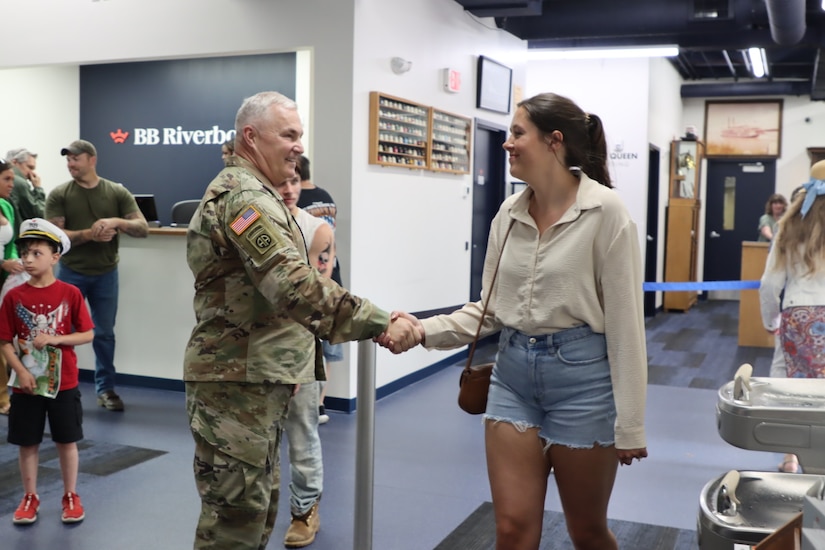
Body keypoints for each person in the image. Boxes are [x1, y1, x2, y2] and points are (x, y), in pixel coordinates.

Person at [382, 93, 648, 550]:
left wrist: (631, 425)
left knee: (586, 531)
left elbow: (626, 328)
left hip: (584, 385)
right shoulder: (508, 214)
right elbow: (490, 309)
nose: (507, 143)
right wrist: (423, 329)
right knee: (512, 530)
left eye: (517, 133)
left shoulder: (606, 212)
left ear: (554, 142)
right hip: (512, 379)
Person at [183, 90, 417, 550]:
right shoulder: (244, 200)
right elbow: (291, 285)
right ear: (251, 137)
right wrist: (376, 320)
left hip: (257, 377)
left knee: (255, 513)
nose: (298, 146)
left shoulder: (262, 196)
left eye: (300, 136)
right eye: (288, 135)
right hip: (237, 384)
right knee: (233, 527)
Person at [0, 218, 94, 525]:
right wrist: (21, 373)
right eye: (24, 252)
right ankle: (30, 496)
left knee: (67, 440)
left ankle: (70, 495)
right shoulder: (14, 297)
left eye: (36, 253)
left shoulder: (70, 293)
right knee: (27, 441)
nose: (27, 259)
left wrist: (56, 338)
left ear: (55, 256)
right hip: (26, 384)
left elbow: (87, 333)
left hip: (63, 382)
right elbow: (3, 342)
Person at [45, 139, 149, 412]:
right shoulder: (60, 194)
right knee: (60, 332)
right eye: (67, 160)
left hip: (106, 274)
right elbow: (55, 237)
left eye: (75, 159)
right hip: (71, 274)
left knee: (104, 334)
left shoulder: (116, 192)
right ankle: (55, 387)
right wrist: (90, 234)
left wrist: (116, 222)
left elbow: (142, 227)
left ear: (92, 159)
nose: (70, 164)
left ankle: (106, 390)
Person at [273, 170, 335, 548]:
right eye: (281, 182)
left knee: (301, 431)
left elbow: (316, 297)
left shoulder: (317, 231)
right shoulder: (248, 219)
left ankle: (305, 511)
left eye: (294, 181)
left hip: (297, 340)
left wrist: (296, 356)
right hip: (252, 345)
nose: (289, 189)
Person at [760, 161, 825, 475]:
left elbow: (770, 284)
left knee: (793, 390)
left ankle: (791, 458)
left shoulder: (788, 225)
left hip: (798, 314)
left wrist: (771, 320)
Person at [296, 155, 342, 424]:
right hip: (330, 279)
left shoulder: (299, 203)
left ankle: (314, 405)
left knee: (318, 347)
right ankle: (319, 405)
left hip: (317, 283)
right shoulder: (326, 196)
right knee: (325, 349)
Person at [0, 160, 26, 415]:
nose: (12, 184)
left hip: (4, 283)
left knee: (5, 339)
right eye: (7, 179)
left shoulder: (6, 205)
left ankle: (4, 396)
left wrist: (18, 263)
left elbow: (12, 245)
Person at [6, 148, 46, 233]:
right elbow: (38, 214)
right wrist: (38, 189)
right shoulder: (20, 183)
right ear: (14, 162)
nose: (32, 173)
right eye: (30, 167)